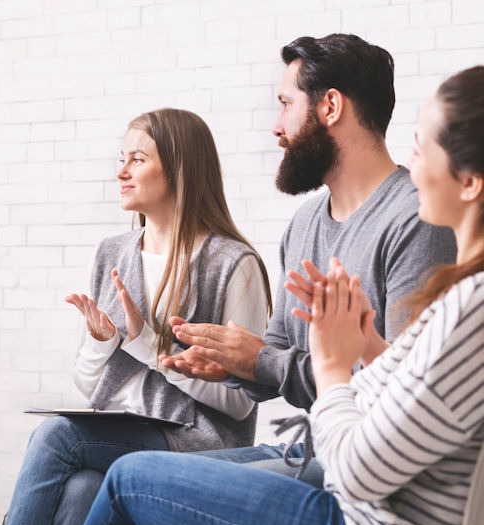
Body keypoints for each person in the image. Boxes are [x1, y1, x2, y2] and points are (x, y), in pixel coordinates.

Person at [72, 64, 484, 525]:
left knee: (127, 476)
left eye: (422, 148)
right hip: (348, 488)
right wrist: (361, 345)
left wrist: (330, 365)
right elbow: (403, 396)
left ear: (470, 183)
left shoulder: (466, 302)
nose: (411, 168)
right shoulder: (314, 226)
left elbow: (358, 470)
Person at [160, 33, 456, 485]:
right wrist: (236, 366)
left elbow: (401, 388)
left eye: (285, 104)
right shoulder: (304, 223)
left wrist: (262, 362)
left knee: (136, 478)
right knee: (117, 520)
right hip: (312, 449)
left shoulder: (415, 218)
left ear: (330, 107)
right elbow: (280, 352)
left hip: (366, 471)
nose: (277, 127)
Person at [0, 108, 272, 525]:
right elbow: (89, 386)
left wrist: (146, 344)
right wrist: (103, 342)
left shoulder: (232, 264)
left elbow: (240, 401)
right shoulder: (112, 253)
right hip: (117, 431)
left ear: (179, 168)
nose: (121, 172)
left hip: (199, 442)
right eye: (121, 158)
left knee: (54, 438)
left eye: (137, 160)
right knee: (82, 486)